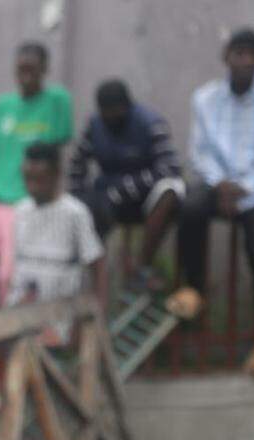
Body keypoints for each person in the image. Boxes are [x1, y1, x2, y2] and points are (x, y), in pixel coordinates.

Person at [169, 28, 254, 378]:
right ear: (226, 58)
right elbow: (199, 153)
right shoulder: (205, 99)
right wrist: (220, 184)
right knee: (189, 206)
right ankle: (195, 289)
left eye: (252, 54)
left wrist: (244, 187)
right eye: (239, 53)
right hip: (218, 184)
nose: (245, 60)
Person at [0, 41, 73, 392]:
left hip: (25, 205)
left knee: (12, 283)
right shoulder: (2, 107)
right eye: (20, 69)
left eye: (32, 69)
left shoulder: (58, 102)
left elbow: (57, 152)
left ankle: (16, 361)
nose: (25, 75)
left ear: (44, 69)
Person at [69, 79, 183, 288]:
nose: (111, 119)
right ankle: (89, 280)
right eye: (106, 114)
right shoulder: (95, 124)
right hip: (108, 196)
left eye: (116, 113)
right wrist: (77, 196)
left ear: (128, 107)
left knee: (171, 192)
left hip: (146, 193)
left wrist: (124, 189)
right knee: (81, 208)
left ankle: (142, 267)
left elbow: (170, 168)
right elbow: (77, 164)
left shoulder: (151, 123)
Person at [9, 143, 107, 344]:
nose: (32, 186)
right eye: (28, 179)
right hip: (23, 309)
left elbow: (96, 264)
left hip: (62, 313)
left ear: (56, 175)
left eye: (39, 180)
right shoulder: (20, 211)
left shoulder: (75, 213)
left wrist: (95, 313)